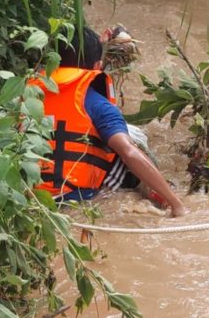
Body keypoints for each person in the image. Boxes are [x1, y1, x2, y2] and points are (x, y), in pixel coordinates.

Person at [28, 26, 187, 217]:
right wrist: (177, 205)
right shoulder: (98, 104)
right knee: (132, 143)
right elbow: (128, 152)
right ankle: (162, 197)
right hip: (76, 195)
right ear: (97, 65)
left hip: (32, 193)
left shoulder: (28, 92)